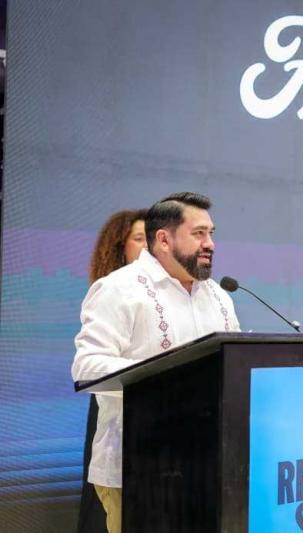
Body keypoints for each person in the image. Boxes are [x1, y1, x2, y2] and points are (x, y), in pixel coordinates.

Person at [71, 192, 240, 533]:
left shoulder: (218, 296)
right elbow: (86, 366)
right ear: (163, 238)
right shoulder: (119, 289)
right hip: (137, 470)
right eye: (199, 233)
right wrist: (163, 380)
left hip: (208, 467)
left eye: (211, 233)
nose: (211, 243)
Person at [77, 209, 147, 533]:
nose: (149, 248)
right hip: (117, 403)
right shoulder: (111, 291)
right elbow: (88, 365)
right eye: (139, 239)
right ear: (119, 247)